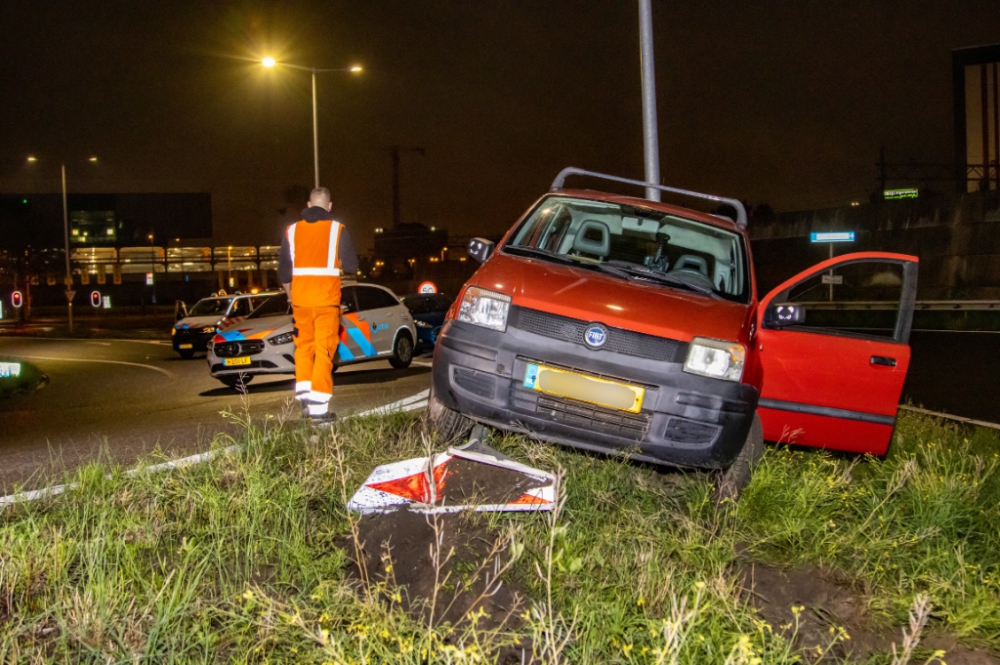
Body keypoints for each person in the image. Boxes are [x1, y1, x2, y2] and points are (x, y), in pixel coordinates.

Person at [278, 187, 358, 422]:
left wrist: (290, 295)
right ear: (329, 206)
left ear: (309, 204)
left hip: (301, 302)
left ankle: (304, 398)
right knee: (324, 351)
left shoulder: (291, 230)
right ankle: (319, 409)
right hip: (326, 301)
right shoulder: (337, 229)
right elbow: (352, 265)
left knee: (304, 349)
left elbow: (283, 271)